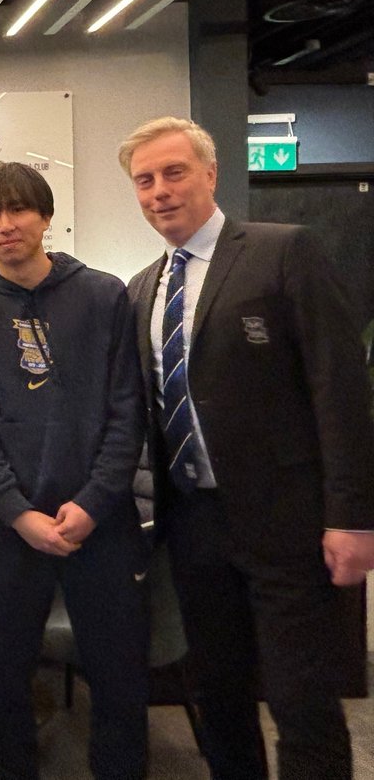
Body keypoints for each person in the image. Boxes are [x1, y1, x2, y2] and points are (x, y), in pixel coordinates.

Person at [120, 116, 374, 779]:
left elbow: (341, 391)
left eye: (173, 173)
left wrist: (353, 515)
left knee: (301, 699)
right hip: (194, 525)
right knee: (219, 696)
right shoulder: (140, 287)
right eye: (144, 180)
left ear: (210, 172)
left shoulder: (283, 251)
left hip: (289, 522)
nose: (159, 192)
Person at [0, 162, 148, 780]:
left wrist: (93, 502)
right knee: (3, 676)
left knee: (118, 678)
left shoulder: (104, 295)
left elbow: (127, 410)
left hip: (103, 522)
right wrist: (18, 512)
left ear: (46, 217)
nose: (5, 226)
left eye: (18, 210)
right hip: (12, 528)